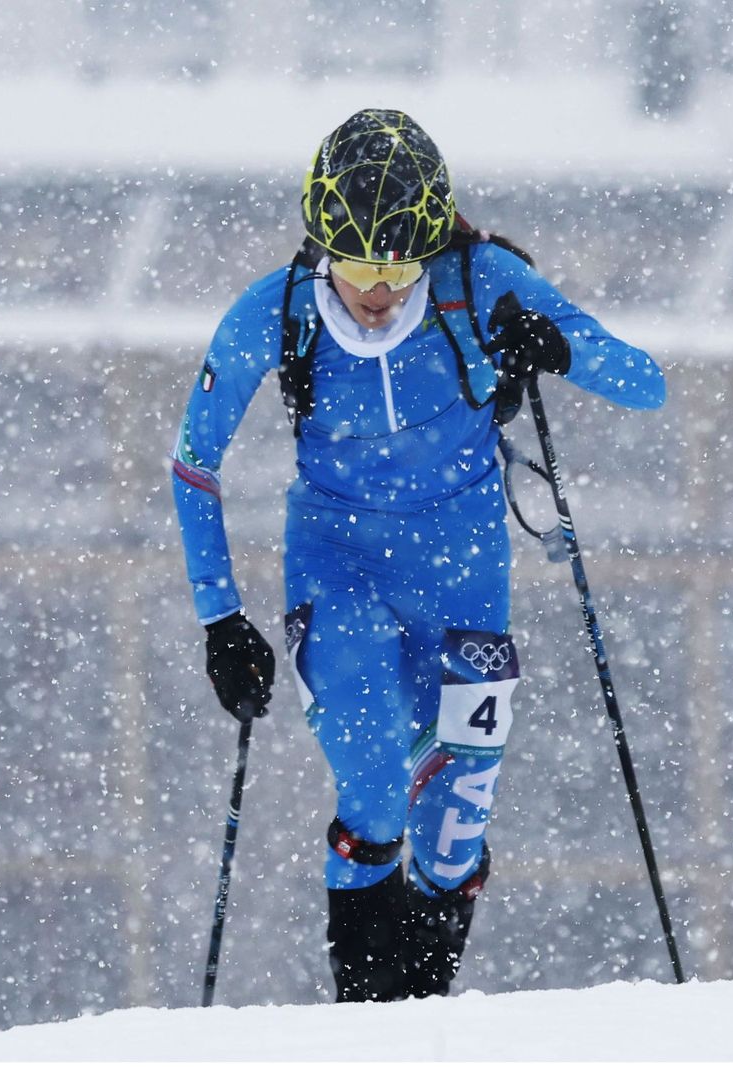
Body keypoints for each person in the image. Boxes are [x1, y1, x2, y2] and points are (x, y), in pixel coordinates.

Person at [170, 108, 665, 1003]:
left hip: (464, 576)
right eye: (358, 267)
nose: (379, 292)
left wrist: (552, 345)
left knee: (452, 836)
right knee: (371, 787)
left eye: (398, 267)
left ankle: (421, 1018)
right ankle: (367, 1024)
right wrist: (221, 619)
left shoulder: (479, 283)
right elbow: (193, 462)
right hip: (338, 562)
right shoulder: (276, 310)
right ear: (324, 248)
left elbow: (644, 379)